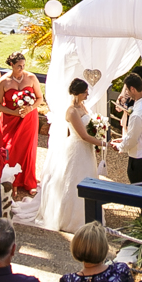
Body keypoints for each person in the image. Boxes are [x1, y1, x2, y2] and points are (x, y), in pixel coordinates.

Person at [47, 78, 105, 232]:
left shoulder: (83, 106)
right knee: (75, 180)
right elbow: (83, 136)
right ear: (78, 93)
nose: (87, 94)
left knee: (89, 176)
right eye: (85, 92)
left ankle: (91, 213)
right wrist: (103, 143)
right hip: (77, 148)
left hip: (87, 149)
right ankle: (72, 219)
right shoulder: (72, 111)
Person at [0, 53, 43, 202]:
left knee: (27, 148)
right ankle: (11, 181)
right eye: (18, 66)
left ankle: (28, 181)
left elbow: (40, 98)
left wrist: (30, 108)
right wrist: (14, 112)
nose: (22, 68)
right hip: (10, 120)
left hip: (28, 119)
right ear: (11, 65)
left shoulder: (31, 78)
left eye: (23, 65)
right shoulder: (4, 81)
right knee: (10, 149)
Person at [114, 73, 142, 186]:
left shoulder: (138, 114)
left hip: (140, 157)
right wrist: (124, 139)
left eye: (127, 90)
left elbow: (132, 140)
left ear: (133, 89)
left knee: (139, 188)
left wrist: (120, 146)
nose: (126, 93)